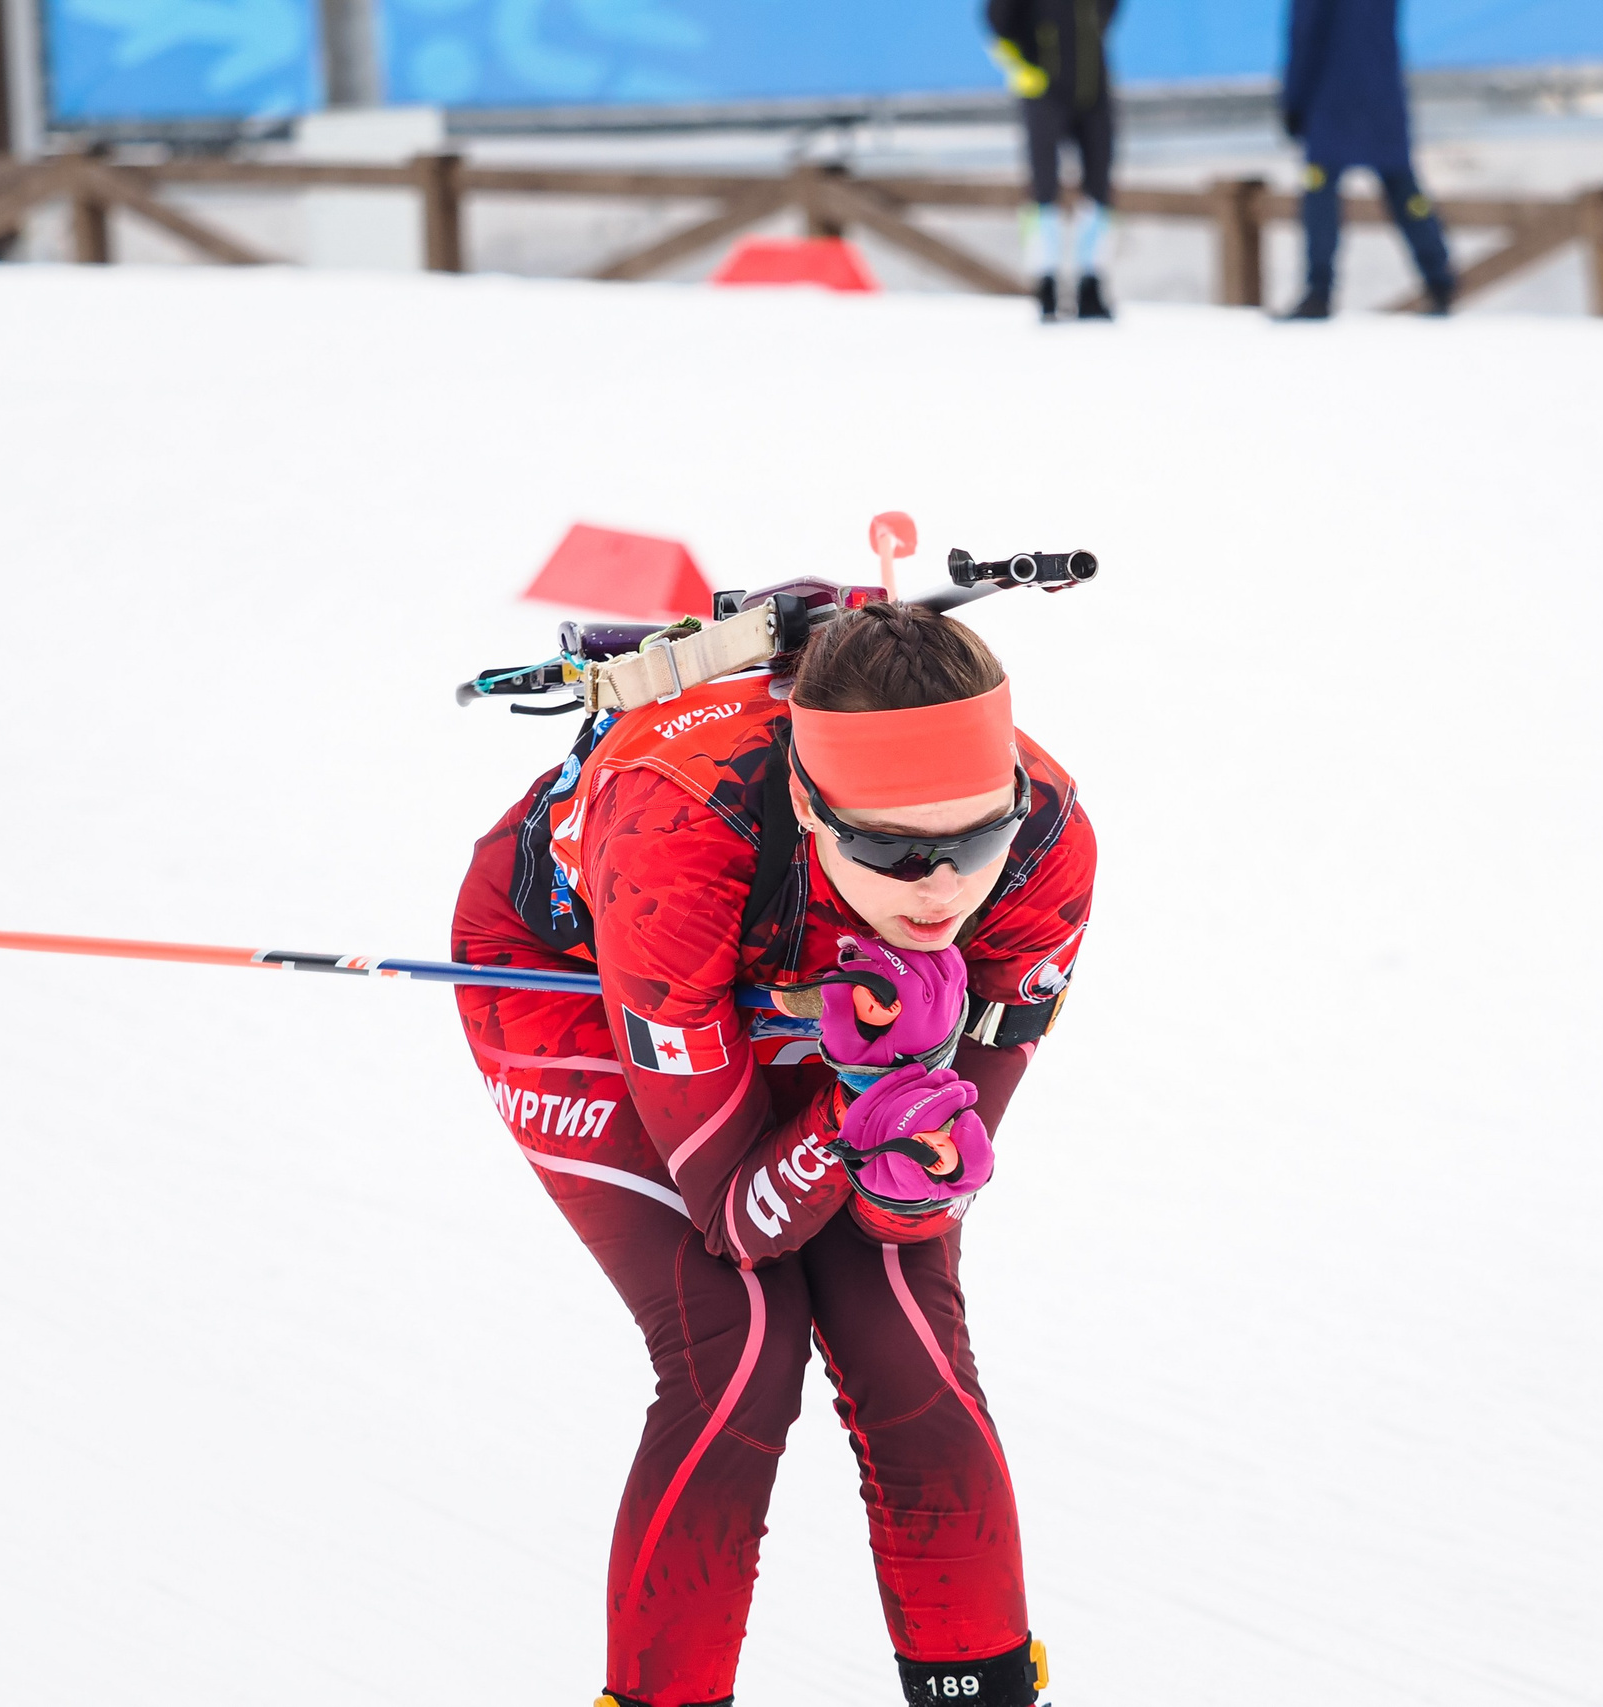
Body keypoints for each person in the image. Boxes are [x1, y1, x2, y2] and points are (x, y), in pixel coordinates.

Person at [451, 598, 1096, 1707]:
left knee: (899, 1319)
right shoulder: (678, 834)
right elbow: (733, 1220)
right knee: (736, 1345)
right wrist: (855, 1112)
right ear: (810, 798)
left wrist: (900, 1146)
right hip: (589, 992)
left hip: (806, 977)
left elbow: (924, 1196)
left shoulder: (1048, 841)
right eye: (892, 849)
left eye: (972, 839)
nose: (941, 890)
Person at [1280, 0, 1456, 318]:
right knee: (1404, 190)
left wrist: (1293, 101)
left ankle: (1318, 288)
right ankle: (1439, 275)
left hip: (1330, 100)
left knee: (1320, 193)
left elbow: (1306, 36)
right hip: (1382, 95)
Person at [986, 0, 1120, 321]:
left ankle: (1092, 281)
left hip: (1093, 84)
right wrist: (1027, 63)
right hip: (1044, 88)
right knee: (1043, 188)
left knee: (1099, 186)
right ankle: (1045, 281)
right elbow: (998, 19)